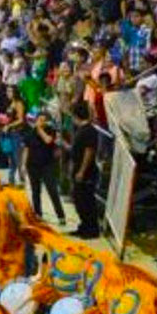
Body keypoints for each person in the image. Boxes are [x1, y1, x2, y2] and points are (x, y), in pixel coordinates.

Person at [21, 111, 66, 225]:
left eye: (43, 120)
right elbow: (26, 149)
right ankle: (38, 214)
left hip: (47, 165)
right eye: (39, 119)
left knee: (52, 190)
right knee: (35, 191)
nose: (41, 122)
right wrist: (23, 165)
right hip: (33, 165)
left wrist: (40, 130)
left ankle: (60, 215)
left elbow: (48, 140)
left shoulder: (50, 131)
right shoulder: (29, 133)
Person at [69, 101, 100, 239]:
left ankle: (91, 228)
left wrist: (82, 171)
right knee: (78, 199)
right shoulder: (81, 130)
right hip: (78, 168)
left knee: (86, 200)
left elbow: (89, 152)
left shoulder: (89, 131)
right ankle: (84, 225)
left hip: (86, 172)